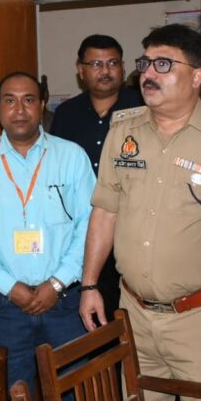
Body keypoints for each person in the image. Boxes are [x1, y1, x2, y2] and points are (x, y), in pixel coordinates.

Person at [79, 24, 201, 401]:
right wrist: (89, 284)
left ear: (197, 75)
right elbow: (105, 210)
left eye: (163, 64)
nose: (148, 74)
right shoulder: (124, 130)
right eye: (145, 63)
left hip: (198, 318)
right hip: (134, 311)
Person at [0, 71, 95, 401]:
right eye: (10, 101)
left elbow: (89, 227)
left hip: (64, 302)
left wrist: (57, 283)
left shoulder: (71, 157)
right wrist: (11, 287)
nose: (20, 109)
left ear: (42, 105)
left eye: (29, 100)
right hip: (7, 306)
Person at [51, 34, 142, 316]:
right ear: (81, 70)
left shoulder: (143, 108)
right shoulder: (66, 114)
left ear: (123, 67)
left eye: (113, 63)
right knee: (89, 314)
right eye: (96, 64)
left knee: (126, 313)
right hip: (81, 231)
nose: (105, 71)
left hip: (133, 229)